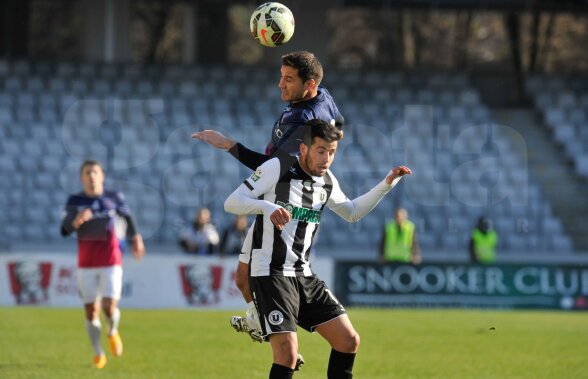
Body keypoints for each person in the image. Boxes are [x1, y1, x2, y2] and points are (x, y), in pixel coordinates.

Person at [224, 119, 412, 378]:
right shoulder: (277, 167)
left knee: (348, 341)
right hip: (271, 272)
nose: (326, 159)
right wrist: (267, 207)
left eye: (332, 152)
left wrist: (387, 184)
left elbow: (352, 212)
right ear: (304, 149)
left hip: (303, 274)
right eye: (321, 150)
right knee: (288, 355)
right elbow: (232, 202)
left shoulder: (327, 181)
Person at [192, 51, 344, 344]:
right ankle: (264, 324)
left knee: (268, 272)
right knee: (241, 278)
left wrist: (229, 145)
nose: (280, 84)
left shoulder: (303, 121)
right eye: (281, 76)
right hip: (281, 190)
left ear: (309, 84)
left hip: (283, 196)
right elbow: (338, 123)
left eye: (288, 79)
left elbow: (271, 168)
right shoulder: (321, 96)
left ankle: (277, 330)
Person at [60, 160, 145, 369]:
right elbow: (64, 231)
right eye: (87, 173)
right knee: (91, 311)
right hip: (86, 263)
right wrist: (76, 221)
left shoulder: (113, 197)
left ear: (102, 176)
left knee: (108, 307)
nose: (91, 176)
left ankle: (112, 332)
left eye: (95, 172)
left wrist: (136, 238)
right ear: (81, 178)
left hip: (111, 260)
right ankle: (99, 353)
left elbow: (129, 217)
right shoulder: (75, 200)